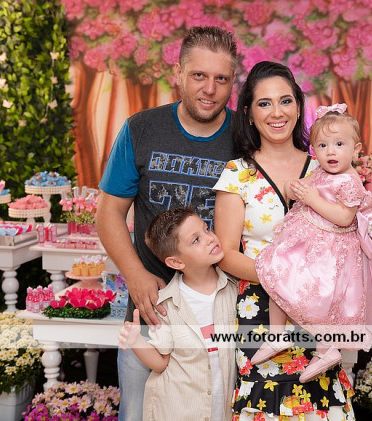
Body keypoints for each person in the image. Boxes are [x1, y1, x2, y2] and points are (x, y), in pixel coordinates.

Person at [96, 26, 237, 421]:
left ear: (233, 82)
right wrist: (135, 274)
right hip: (152, 315)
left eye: (221, 79)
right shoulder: (141, 129)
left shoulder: (245, 135)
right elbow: (108, 213)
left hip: (224, 317)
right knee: (139, 413)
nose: (209, 89)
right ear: (178, 73)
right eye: (199, 75)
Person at [214, 61, 355, 421]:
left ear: (298, 106)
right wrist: (286, 281)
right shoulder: (237, 174)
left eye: (285, 101)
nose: (277, 112)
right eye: (265, 103)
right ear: (248, 113)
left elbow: (348, 234)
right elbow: (225, 254)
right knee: (265, 405)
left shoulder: (326, 167)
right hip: (262, 312)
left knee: (320, 404)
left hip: (318, 316)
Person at [251, 104, 372, 383]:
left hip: (332, 252)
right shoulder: (321, 172)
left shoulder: (350, 180)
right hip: (310, 242)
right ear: (314, 150)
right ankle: (277, 335)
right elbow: (306, 186)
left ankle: (325, 349)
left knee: (325, 298)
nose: (331, 152)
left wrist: (312, 199)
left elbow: (345, 217)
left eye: (339, 144)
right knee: (277, 272)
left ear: (356, 149)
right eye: (323, 145)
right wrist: (296, 188)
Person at [118, 206, 237, 421]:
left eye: (207, 229)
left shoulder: (234, 288)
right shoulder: (166, 305)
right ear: (176, 262)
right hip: (180, 411)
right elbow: (161, 362)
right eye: (196, 240)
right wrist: (136, 341)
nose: (210, 238)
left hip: (224, 410)